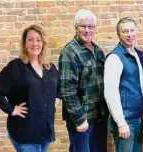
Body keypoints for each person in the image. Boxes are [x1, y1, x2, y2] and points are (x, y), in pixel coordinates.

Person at [0, 24, 59, 152]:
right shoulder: (16, 67)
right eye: (30, 39)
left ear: (43, 43)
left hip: (44, 133)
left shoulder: (50, 68)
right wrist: (11, 109)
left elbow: (59, 90)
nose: (35, 43)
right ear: (25, 43)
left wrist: (53, 102)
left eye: (38, 40)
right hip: (24, 134)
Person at [59, 9, 108, 152]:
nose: (87, 30)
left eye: (91, 26)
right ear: (76, 28)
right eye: (83, 26)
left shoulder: (97, 50)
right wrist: (79, 119)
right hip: (81, 120)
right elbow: (67, 90)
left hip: (98, 117)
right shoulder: (69, 52)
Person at [104, 17, 143, 152]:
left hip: (137, 118)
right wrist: (121, 122)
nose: (130, 34)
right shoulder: (115, 58)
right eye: (125, 31)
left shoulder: (138, 55)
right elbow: (110, 93)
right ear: (119, 35)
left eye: (132, 30)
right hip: (125, 120)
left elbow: (141, 86)